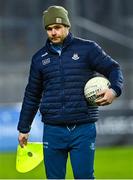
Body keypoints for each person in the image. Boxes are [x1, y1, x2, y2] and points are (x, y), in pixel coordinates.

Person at [17, 5, 123, 179]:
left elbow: (113, 69)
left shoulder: (88, 49)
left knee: (84, 177)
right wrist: (23, 128)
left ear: (67, 26)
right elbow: (32, 95)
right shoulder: (39, 58)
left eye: (57, 27)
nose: (53, 32)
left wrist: (114, 90)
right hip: (53, 129)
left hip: (83, 128)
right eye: (49, 29)